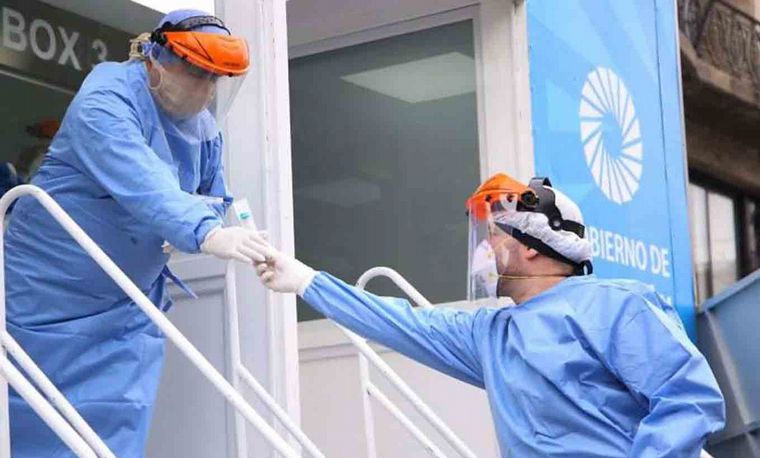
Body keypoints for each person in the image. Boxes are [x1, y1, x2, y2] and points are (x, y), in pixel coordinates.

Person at [251, 173, 726, 457]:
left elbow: (689, 399)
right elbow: (399, 322)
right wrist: (307, 281)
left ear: (533, 246)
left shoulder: (616, 305)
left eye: (495, 236)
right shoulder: (490, 334)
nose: (485, 249)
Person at [5, 9, 265, 457]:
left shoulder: (202, 126)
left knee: (117, 425)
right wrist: (202, 230)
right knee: (32, 420)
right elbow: (140, 177)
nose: (205, 89)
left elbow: (211, 195)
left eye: (215, 79)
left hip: (126, 304)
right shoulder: (105, 98)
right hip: (48, 294)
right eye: (197, 73)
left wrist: (235, 229)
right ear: (155, 59)